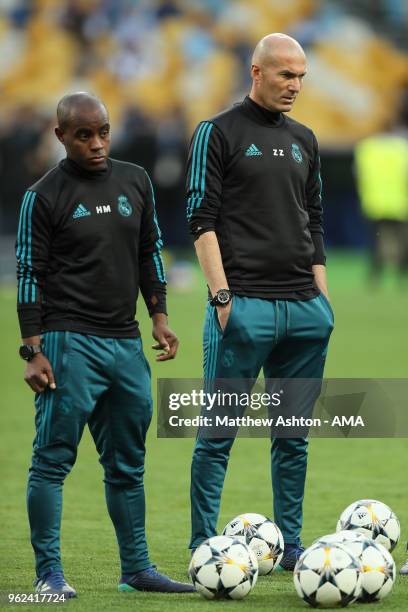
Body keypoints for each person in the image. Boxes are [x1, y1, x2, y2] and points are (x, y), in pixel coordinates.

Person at [16, 92, 194, 596]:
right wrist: (33, 350)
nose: (96, 144)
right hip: (69, 342)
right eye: (83, 135)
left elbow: (149, 251)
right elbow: (28, 272)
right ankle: (48, 575)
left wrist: (159, 316)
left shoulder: (135, 180)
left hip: (126, 343)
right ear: (61, 137)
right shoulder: (43, 195)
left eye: (103, 133)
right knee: (52, 460)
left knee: (127, 465)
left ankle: (136, 569)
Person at [186, 33, 334, 570]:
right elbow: (201, 220)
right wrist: (222, 298)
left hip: (303, 311)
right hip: (243, 306)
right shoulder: (217, 132)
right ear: (256, 72)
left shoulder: (305, 138)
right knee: (217, 434)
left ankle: (291, 546)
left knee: (292, 438)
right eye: (285, 75)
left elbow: (313, 219)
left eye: (301, 76)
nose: (295, 85)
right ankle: (204, 545)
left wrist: (321, 295)